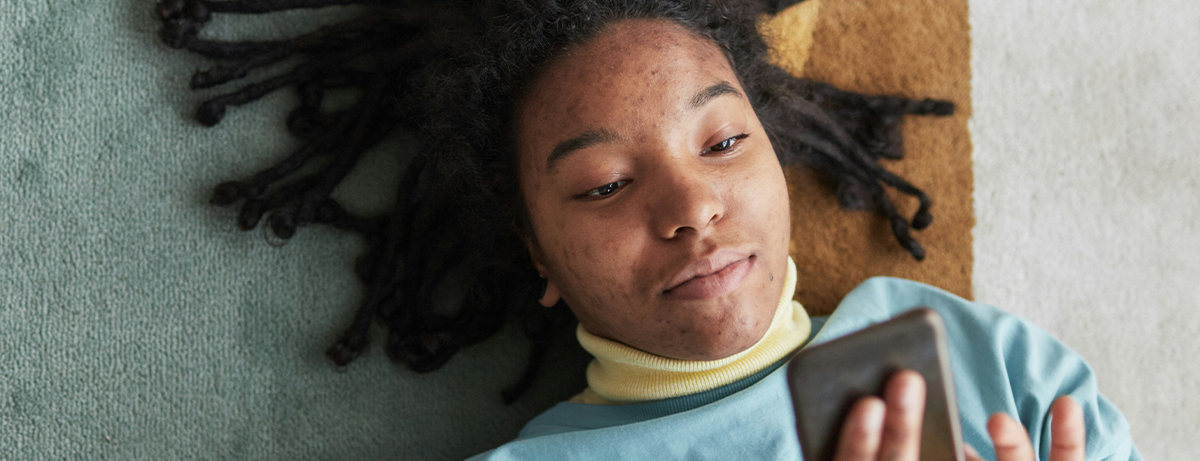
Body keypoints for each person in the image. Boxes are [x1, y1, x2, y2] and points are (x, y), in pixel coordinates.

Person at [154, 0, 1140, 459]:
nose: (691, 208)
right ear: (537, 253)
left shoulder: (981, 359)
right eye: (607, 183)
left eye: (723, 142)